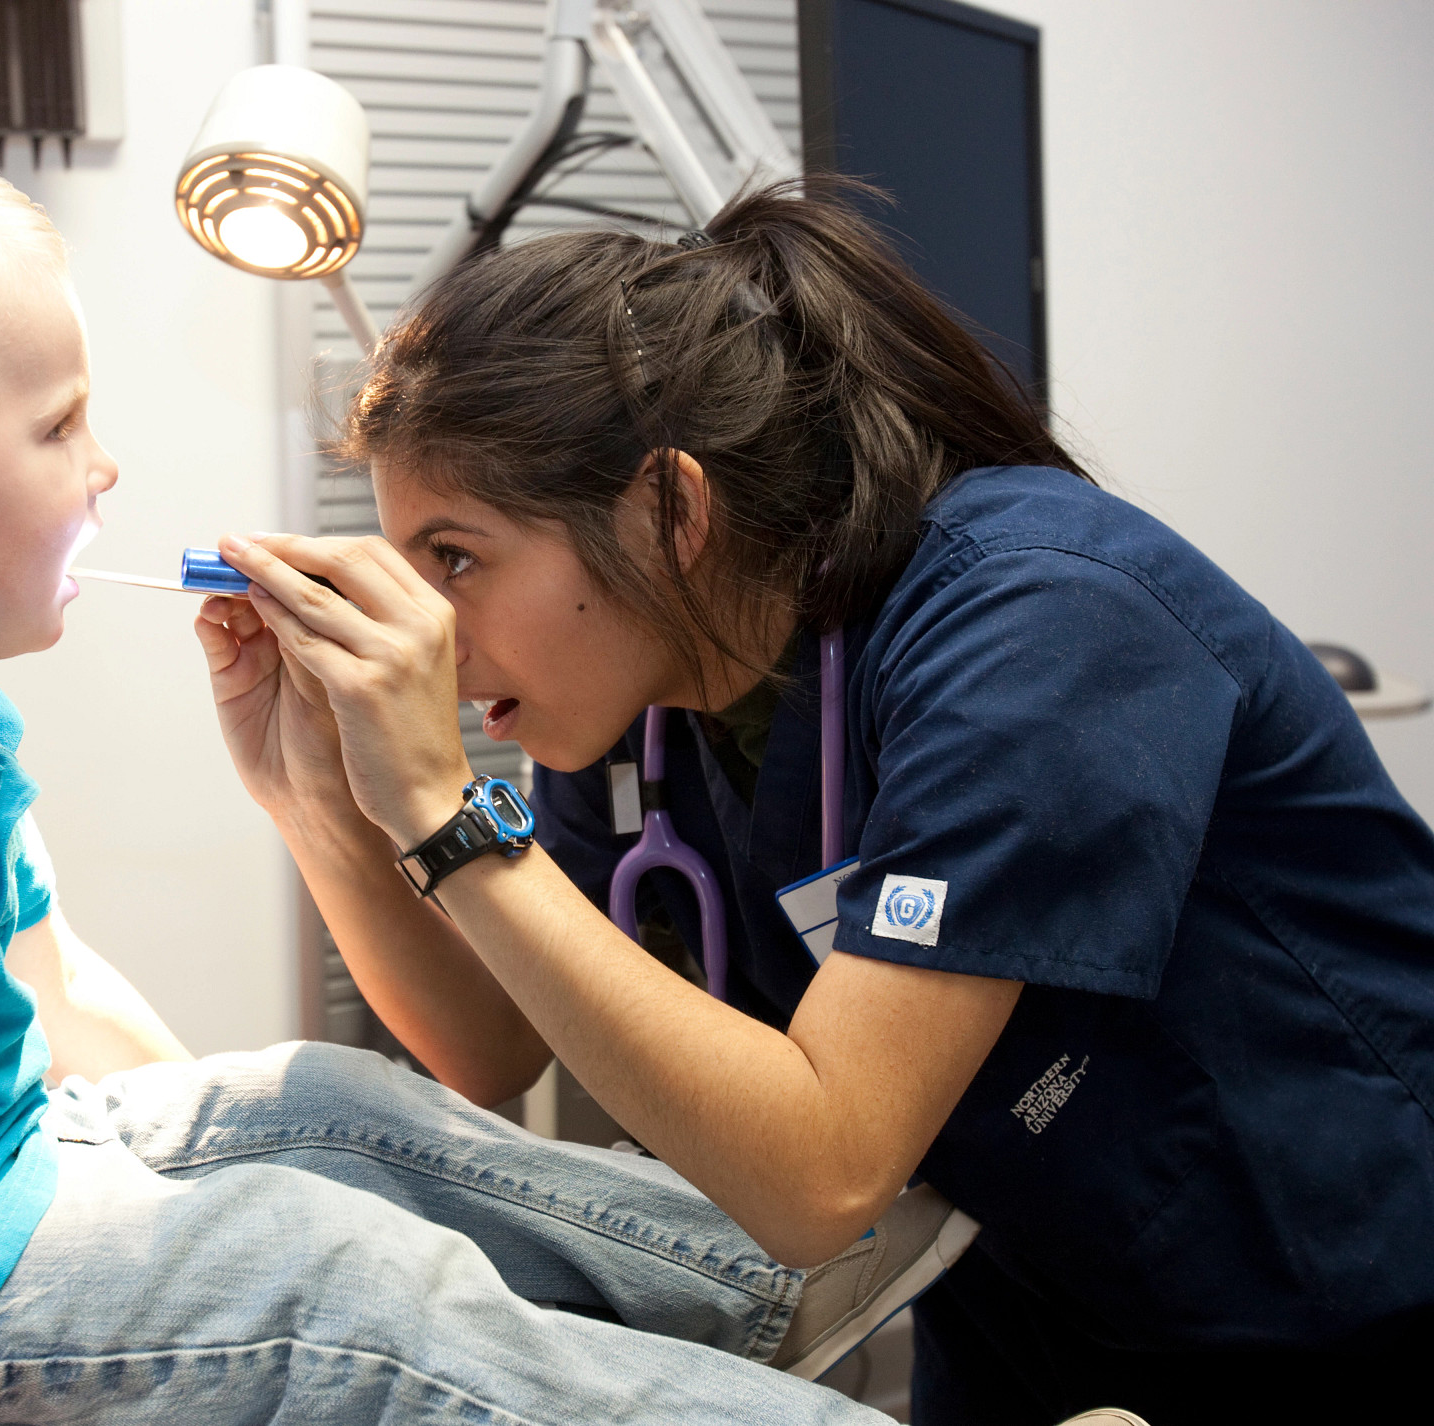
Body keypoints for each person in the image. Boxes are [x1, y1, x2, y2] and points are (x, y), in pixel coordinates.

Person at [0, 128, 921, 1426]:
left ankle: (764, 1283)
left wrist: (250, 1156)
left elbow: (45, 1001)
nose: (105, 465)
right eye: (58, 427)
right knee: (327, 1283)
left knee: (319, 1104)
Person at [194, 180, 1434, 1425]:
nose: (426, 621)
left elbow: (821, 1169)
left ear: (669, 511)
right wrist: (316, 798)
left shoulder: (1036, 617)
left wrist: (446, 812)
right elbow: (490, 1046)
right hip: (1037, 1311)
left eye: (454, 556)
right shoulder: (644, 699)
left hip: (1335, 1284)